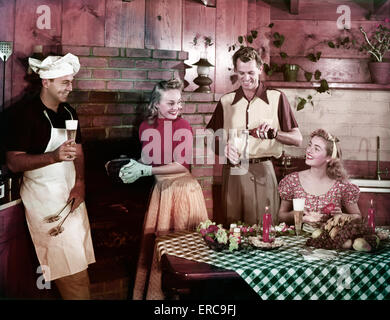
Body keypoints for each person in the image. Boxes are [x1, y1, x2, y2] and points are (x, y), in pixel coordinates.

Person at [4, 53, 95, 299]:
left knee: (79, 263)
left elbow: (79, 151)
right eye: (65, 82)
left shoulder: (69, 112)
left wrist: (80, 183)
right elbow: (13, 162)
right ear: (46, 82)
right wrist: (53, 157)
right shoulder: (23, 114)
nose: (71, 87)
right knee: (70, 271)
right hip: (44, 199)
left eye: (72, 81)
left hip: (71, 195)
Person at [117, 79, 208, 300]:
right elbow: (149, 159)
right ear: (156, 104)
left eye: (179, 102)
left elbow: (180, 165)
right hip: (162, 192)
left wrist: (145, 171)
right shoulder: (145, 126)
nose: (177, 107)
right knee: (160, 253)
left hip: (183, 192)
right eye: (170, 103)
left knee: (183, 255)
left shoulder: (183, 126)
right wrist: (132, 167)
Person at [206, 46, 302, 226]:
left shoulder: (277, 98)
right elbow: (211, 139)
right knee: (231, 230)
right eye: (241, 73)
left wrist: (274, 134)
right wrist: (223, 147)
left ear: (260, 68)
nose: (246, 78)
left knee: (264, 230)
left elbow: (297, 139)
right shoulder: (226, 102)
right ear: (236, 71)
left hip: (263, 170)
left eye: (250, 72)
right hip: (233, 171)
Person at [278, 128, 361, 226]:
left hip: (329, 240)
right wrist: (296, 214)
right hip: (298, 239)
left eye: (316, 148)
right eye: (310, 145)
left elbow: (358, 217)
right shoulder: (292, 181)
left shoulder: (341, 186)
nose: (309, 150)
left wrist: (342, 216)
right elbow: (281, 216)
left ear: (329, 157)